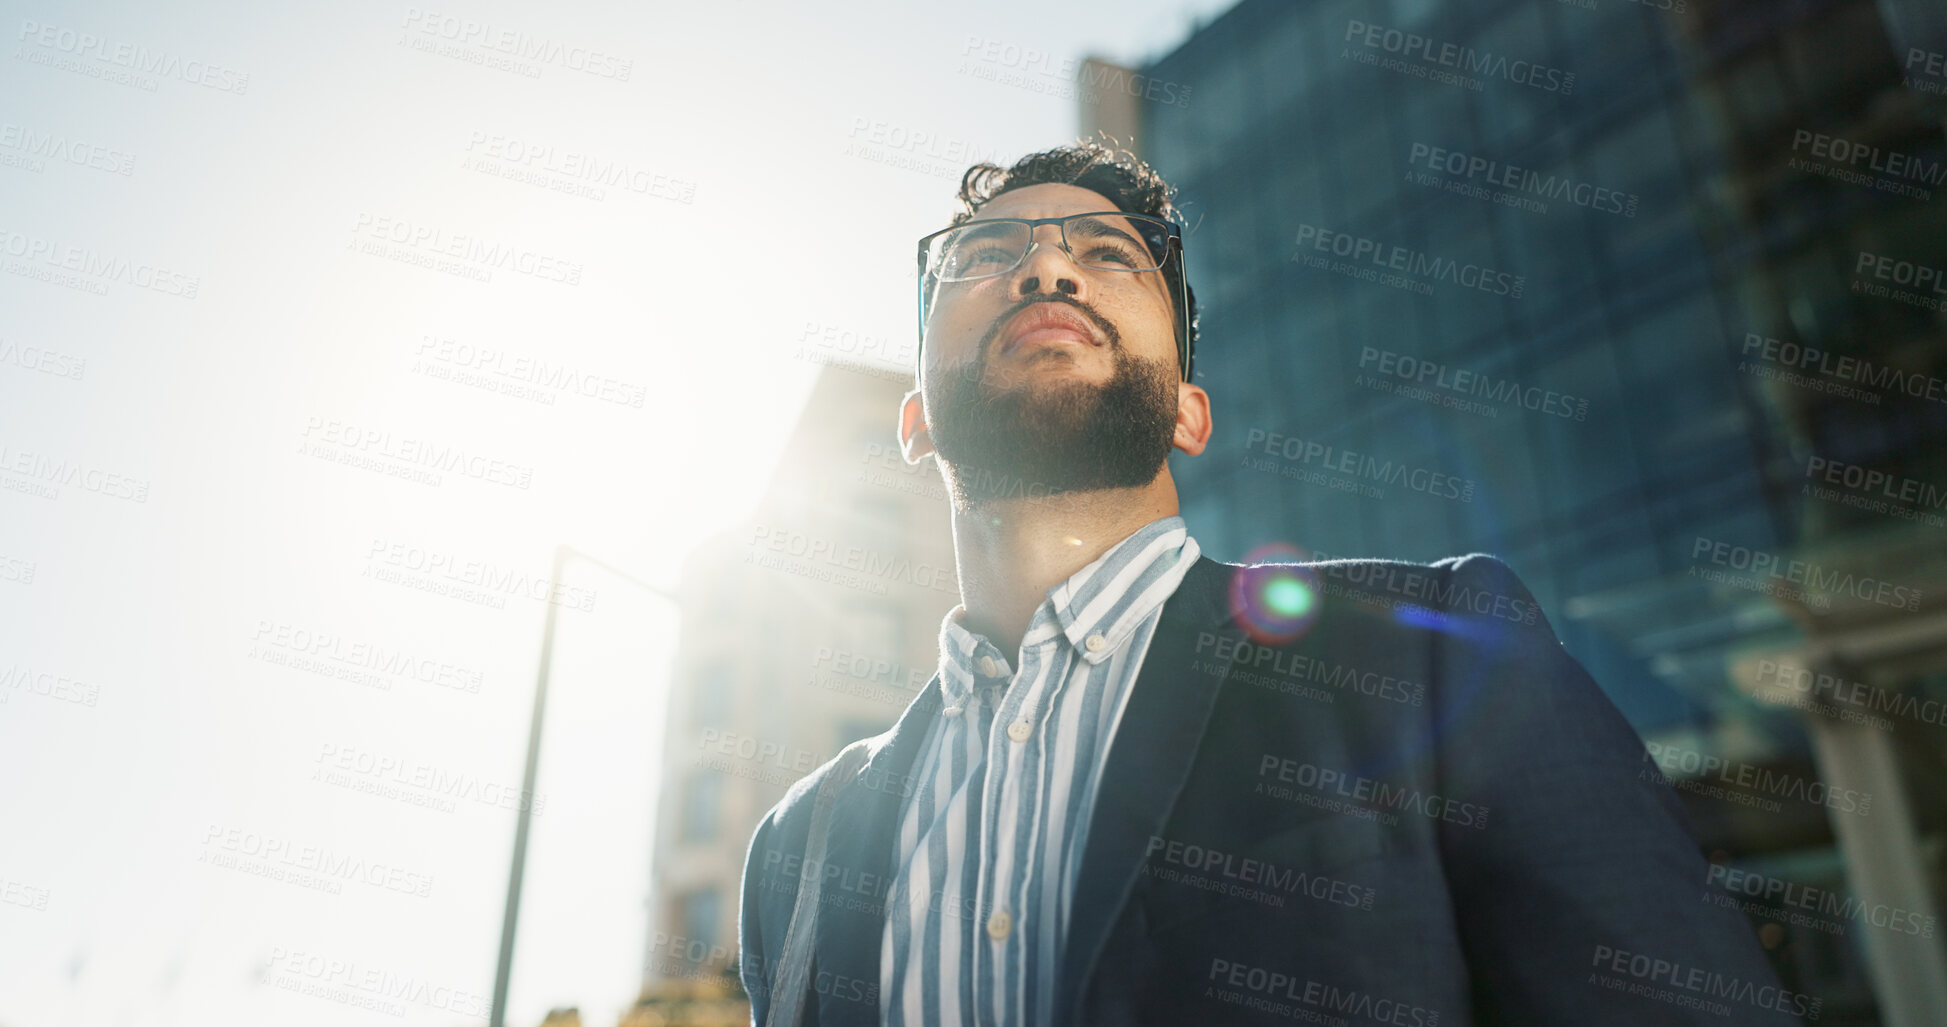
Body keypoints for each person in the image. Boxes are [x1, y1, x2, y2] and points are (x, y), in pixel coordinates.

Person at [737, 142, 1802, 1026]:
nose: (1047, 273)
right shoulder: (799, 843)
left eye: (1108, 254)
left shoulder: (1441, 657)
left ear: (1189, 413)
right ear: (915, 420)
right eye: (985, 255)